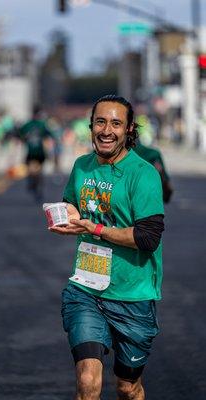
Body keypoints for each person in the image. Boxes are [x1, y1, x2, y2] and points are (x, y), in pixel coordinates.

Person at [49, 95, 164, 400]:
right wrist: (68, 216)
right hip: (86, 290)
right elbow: (72, 202)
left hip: (132, 296)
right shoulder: (82, 166)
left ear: (129, 131)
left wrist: (94, 229)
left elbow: (148, 237)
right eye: (100, 121)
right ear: (91, 126)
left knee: (127, 388)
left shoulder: (143, 174)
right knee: (88, 382)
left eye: (116, 123)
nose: (106, 130)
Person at [19, 106, 53, 200]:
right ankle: (37, 186)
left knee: (32, 170)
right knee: (39, 171)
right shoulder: (42, 125)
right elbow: (49, 135)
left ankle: (33, 183)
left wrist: (25, 139)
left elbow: (19, 134)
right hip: (40, 152)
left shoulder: (27, 125)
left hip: (31, 152)